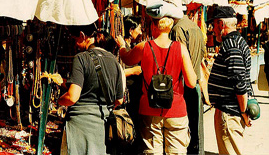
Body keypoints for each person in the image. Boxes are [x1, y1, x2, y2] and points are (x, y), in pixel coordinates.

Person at [116, 16, 197, 154]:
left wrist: (122, 46)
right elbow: (191, 83)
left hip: (149, 109)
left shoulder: (143, 46)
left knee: (151, 152)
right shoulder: (181, 49)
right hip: (176, 110)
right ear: (170, 27)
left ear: (153, 26)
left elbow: (127, 59)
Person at [58, 24, 124, 155]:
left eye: (75, 39)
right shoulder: (114, 61)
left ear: (83, 35)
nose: (76, 44)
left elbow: (72, 97)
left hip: (80, 125)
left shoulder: (81, 58)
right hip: (103, 123)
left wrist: (60, 101)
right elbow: (119, 100)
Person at [208, 6, 252, 155]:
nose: (213, 29)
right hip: (230, 112)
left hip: (229, 113)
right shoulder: (236, 42)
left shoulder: (232, 45)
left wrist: (243, 111)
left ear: (221, 24)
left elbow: (239, 82)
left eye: (214, 25)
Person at [169, 14, 207, 155]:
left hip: (184, 84)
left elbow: (178, 57)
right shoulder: (194, 26)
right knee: (196, 125)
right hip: (194, 82)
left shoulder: (178, 29)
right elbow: (202, 53)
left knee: (185, 128)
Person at [120, 15, 143, 154]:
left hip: (134, 94)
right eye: (138, 29)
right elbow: (115, 70)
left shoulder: (131, 47)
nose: (140, 32)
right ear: (130, 30)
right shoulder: (121, 48)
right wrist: (133, 71)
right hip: (127, 95)